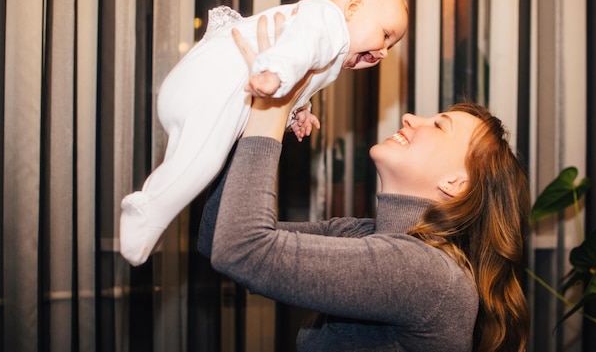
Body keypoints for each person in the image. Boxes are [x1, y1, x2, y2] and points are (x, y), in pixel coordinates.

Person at [197, 20, 530, 351]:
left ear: (456, 183)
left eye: (439, 126)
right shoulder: (362, 234)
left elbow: (242, 249)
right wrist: (250, 123)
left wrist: (273, 108)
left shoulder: (428, 272)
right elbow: (218, 239)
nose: (410, 118)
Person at [120, 0, 408, 266]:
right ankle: (148, 209)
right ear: (353, 7)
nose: (384, 52)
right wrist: (274, 76)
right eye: (385, 34)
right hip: (214, 84)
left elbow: (302, 69)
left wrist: (299, 109)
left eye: (391, 45)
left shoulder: (326, 45)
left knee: (197, 160)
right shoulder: (325, 21)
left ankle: (154, 210)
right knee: (202, 161)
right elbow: (295, 50)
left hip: (204, 88)